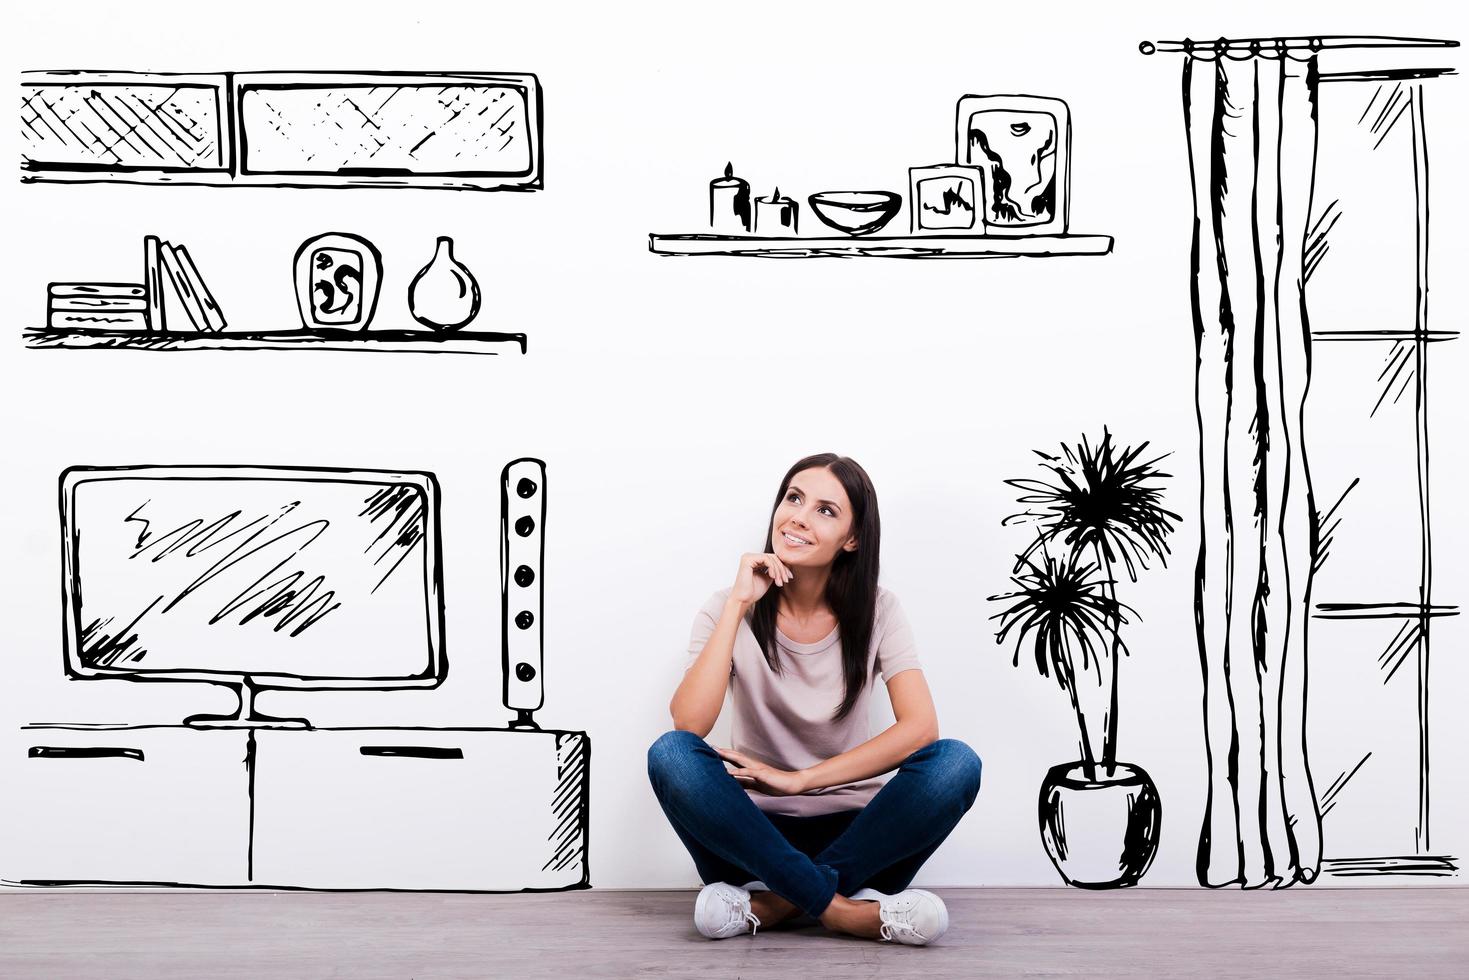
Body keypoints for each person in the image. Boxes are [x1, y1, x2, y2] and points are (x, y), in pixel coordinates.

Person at [647, 453, 982, 946]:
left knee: (955, 762)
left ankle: (775, 905)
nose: (799, 517)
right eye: (794, 498)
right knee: (670, 754)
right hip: (752, 837)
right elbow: (688, 723)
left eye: (826, 510)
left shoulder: (880, 610)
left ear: (853, 539)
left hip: (860, 837)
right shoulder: (727, 606)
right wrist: (740, 604)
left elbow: (920, 730)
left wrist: (799, 781)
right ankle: (844, 910)